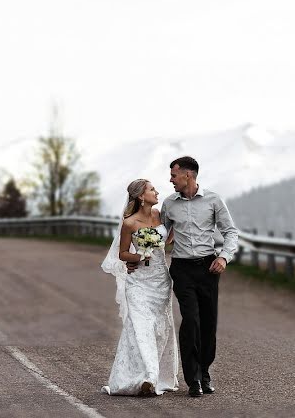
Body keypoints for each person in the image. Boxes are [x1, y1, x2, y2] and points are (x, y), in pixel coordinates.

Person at [158, 156, 238, 397]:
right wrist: (142, 257)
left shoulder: (213, 200)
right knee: (190, 319)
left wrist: (223, 257)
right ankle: (192, 379)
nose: (170, 179)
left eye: (174, 175)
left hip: (207, 268)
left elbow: (230, 231)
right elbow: (161, 235)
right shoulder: (169, 203)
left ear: (188, 176)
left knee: (208, 323)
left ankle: (205, 372)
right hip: (181, 269)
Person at [101, 179, 179, 396]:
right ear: (141, 196)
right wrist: (138, 255)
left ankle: (157, 375)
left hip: (160, 280)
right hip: (138, 282)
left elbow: (167, 238)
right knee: (139, 326)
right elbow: (122, 253)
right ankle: (149, 377)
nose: (157, 192)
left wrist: (165, 240)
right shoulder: (129, 223)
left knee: (161, 328)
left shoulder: (159, 216)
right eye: (152, 190)